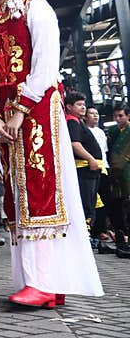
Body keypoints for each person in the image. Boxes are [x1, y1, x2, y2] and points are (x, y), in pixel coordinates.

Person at [0, 0, 103, 306]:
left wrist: (18, 113)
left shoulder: (35, 7)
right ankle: (38, 282)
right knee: (17, 199)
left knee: (44, 193)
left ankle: (49, 282)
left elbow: (46, 67)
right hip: (9, 121)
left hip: (39, 112)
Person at [65, 91, 102, 245]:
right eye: (79, 105)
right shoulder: (72, 122)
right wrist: (91, 159)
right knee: (86, 203)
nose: (83, 108)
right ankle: (84, 237)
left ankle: (87, 235)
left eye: (83, 105)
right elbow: (75, 145)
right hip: (85, 168)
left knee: (91, 202)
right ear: (69, 107)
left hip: (91, 169)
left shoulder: (78, 121)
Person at [107, 105, 130, 256]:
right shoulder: (113, 131)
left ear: (128, 116)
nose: (117, 119)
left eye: (121, 116)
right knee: (117, 203)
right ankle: (121, 237)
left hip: (127, 170)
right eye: (115, 116)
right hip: (114, 173)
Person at [85, 106, 111, 241]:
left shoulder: (101, 132)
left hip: (104, 168)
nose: (95, 116)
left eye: (97, 114)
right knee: (92, 201)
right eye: (92, 114)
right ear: (85, 116)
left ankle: (102, 229)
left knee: (104, 200)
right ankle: (93, 230)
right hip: (89, 168)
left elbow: (105, 152)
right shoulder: (84, 130)